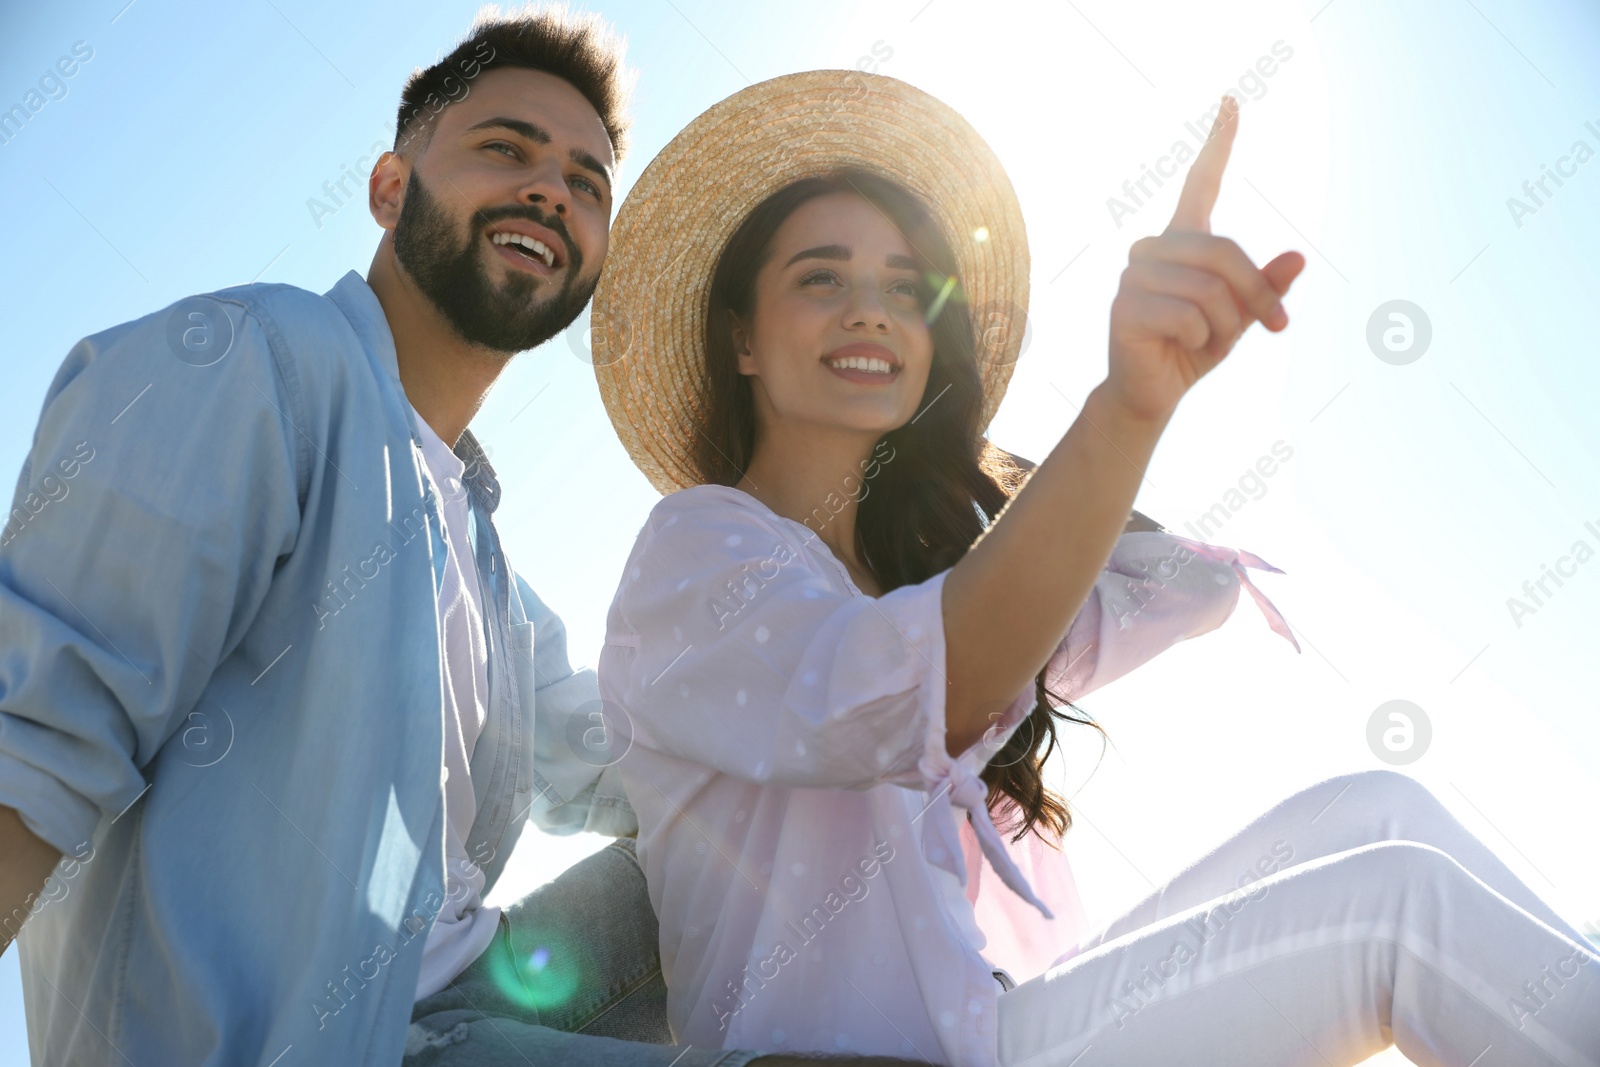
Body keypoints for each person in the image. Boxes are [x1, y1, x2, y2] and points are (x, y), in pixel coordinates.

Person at [589, 70, 1600, 1066]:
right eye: (820, 277)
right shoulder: (698, 547)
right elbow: (918, 690)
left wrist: (992, 466)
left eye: (906, 288)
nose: (871, 310)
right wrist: (1125, 405)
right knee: (1395, 905)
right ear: (741, 340)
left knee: (1376, 810)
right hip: (910, 1056)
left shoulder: (929, 583)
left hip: (1006, 1025)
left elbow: (1187, 584)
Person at [0, 10, 919, 1067]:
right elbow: (34, 723)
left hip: (473, 999)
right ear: (391, 189)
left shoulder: (487, 564)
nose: (550, 190)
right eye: (505, 149)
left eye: (586, 182)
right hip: (326, 1043)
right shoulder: (255, 362)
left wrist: (922, 668)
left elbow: (655, 754)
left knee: (772, 845)